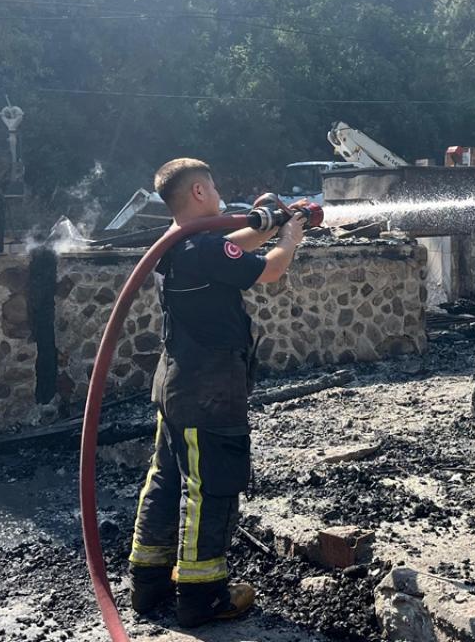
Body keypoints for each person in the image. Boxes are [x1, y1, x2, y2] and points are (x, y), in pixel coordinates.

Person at [127, 157, 307, 626]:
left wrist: (270, 225)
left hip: (176, 384)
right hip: (208, 390)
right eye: (214, 186)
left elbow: (229, 248)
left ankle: (148, 583)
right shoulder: (202, 248)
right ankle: (202, 595)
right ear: (199, 192)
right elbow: (269, 271)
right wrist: (291, 237)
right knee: (212, 487)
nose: (220, 194)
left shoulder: (176, 243)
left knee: (167, 480)